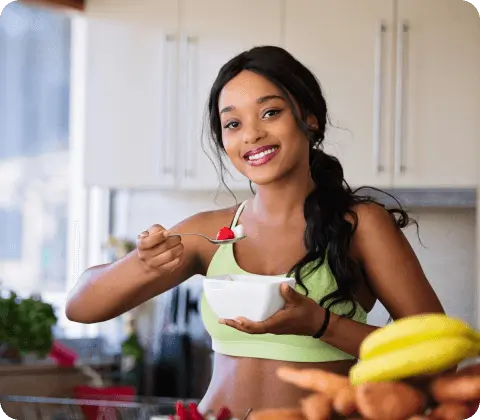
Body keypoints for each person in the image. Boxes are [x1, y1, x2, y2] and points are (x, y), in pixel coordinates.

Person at [66, 45, 444, 417]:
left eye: (270, 112)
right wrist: (144, 264)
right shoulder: (211, 232)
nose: (252, 134)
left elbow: (437, 357)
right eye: (233, 123)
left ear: (309, 118)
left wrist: (321, 324)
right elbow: (81, 306)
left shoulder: (359, 225)